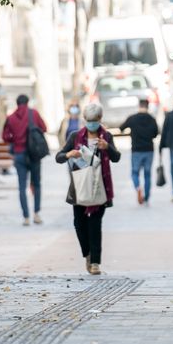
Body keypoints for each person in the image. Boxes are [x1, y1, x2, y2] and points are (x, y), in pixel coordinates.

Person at [55, 103, 121, 275]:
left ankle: (96, 263)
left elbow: (116, 158)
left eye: (95, 120)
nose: (92, 124)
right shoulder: (75, 136)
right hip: (79, 186)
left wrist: (108, 147)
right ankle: (88, 254)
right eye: (89, 121)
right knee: (79, 223)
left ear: (100, 119)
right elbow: (58, 157)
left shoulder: (106, 136)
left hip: (100, 186)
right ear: (85, 120)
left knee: (95, 224)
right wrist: (69, 154)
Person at [2, 94, 48, 226]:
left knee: (22, 186)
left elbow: (5, 136)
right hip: (34, 154)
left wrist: (15, 140)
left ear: (17, 104)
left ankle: (26, 217)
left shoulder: (10, 118)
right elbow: (44, 128)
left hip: (19, 154)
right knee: (37, 184)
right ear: (27, 103)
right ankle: (37, 214)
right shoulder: (34, 113)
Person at [119, 99, 160, 205]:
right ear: (148, 106)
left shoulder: (132, 118)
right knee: (147, 174)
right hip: (149, 150)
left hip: (136, 150)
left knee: (135, 172)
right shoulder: (152, 119)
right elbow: (156, 134)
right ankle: (146, 197)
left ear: (139, 106)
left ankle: (138, 188)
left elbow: (121, 128)